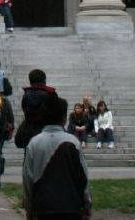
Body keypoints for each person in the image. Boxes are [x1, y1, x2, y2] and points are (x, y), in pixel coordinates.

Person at [22, 92, 91, 220]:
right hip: (71, 207)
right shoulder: (73, 142)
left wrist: (29, 207)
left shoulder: (34, 143)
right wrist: (87, 204)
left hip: (43, 207)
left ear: (43, 117)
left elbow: (28, 178)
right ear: (64, 118)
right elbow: (83, 176)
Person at [15, 68, 58, 148]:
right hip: (47, 133)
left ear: (30, 81)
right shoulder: (51, 94)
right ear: (44, 80)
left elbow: (24, 109)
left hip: (30, 133)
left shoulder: (26, 94)